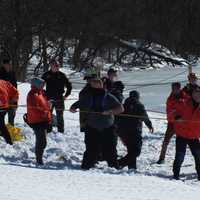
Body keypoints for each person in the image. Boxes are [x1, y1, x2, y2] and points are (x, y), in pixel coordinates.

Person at [70, 78, 124, 170]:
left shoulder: (108, 97)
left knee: (110, 149)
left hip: (108, 126)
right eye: (94, 86)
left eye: (98, 86)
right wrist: (73, 107)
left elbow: (121, 109)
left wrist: (109, 111)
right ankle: (86, 167)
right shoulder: (88, 96)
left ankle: (114, 167)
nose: (96, 89)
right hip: (92, 126)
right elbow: (79, 103)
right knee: (91, 148)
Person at [117, 90, 154, 170]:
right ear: (137, 97)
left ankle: (132, 168)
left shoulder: (124, 105)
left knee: (131, 150)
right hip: (134, 131)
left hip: (123, 131)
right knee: (136, 151)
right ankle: (119, 163)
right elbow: (144, 116)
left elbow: (118, 118)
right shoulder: (139, 105)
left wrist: (118, 132)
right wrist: (149, 125)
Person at [172, 86, 200, 180]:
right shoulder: (184, 103)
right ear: (192, 95)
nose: (197, 95)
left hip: (194, 136)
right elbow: (172, 111)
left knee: (198, 156)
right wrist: (176, 118)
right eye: (195, 93)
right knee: (180, 156)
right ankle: (175, 176)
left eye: (199, 93)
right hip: (182, 135)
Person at [26, 77, 52, 165]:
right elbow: (35, 109)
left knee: (42, 141)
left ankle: (39, 157)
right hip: (37, 121)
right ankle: (39, 159)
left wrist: (48, 104)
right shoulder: (32, 95)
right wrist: (46, 110)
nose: (43, 86)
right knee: (42, 141)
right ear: (36, 85)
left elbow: (44, 105)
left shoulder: (40, 93)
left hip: (43, 120)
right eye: (41, 84)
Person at [42, 59, 72, 133]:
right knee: (48, 115)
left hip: (59, 98)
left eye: (57, 66)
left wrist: (66, 95)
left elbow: (69, 86)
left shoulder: (62, 75)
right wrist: (43, 94)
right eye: (55, 65)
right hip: (49, 98)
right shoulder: (46, 74)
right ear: (51, 66)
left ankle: (60, 131)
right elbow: (39, 85)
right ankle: (48, 130)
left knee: (60, 116)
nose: (56, 67)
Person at [157, 82, 183, 164]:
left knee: (189, 142)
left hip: (183, 123)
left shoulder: (185, 96)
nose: (174, 90)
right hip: (172, 123)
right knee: (166, 141)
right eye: (172, 88)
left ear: (179, 88)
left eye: (175, 88)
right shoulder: (170, 99)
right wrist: (175, 117)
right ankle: (161, 158)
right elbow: (169, 112)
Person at [0, 80, 18, 145]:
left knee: (1, 125)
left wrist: (13, 102)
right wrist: (13, 101)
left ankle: (9, 141)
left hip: (2, 106)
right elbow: (15, 92)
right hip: (5, 106)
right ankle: (9, 141)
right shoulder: (5, 82)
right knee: (1, 124)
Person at [0, 59, 17, 125]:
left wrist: (15, 100)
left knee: (12, 115)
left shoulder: (12, 73)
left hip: (12, 98)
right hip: (2, 98)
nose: (10, 65)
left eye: (10, 64)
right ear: (4, 65)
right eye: (8, 64)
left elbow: (15, 86)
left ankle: (11, 130)